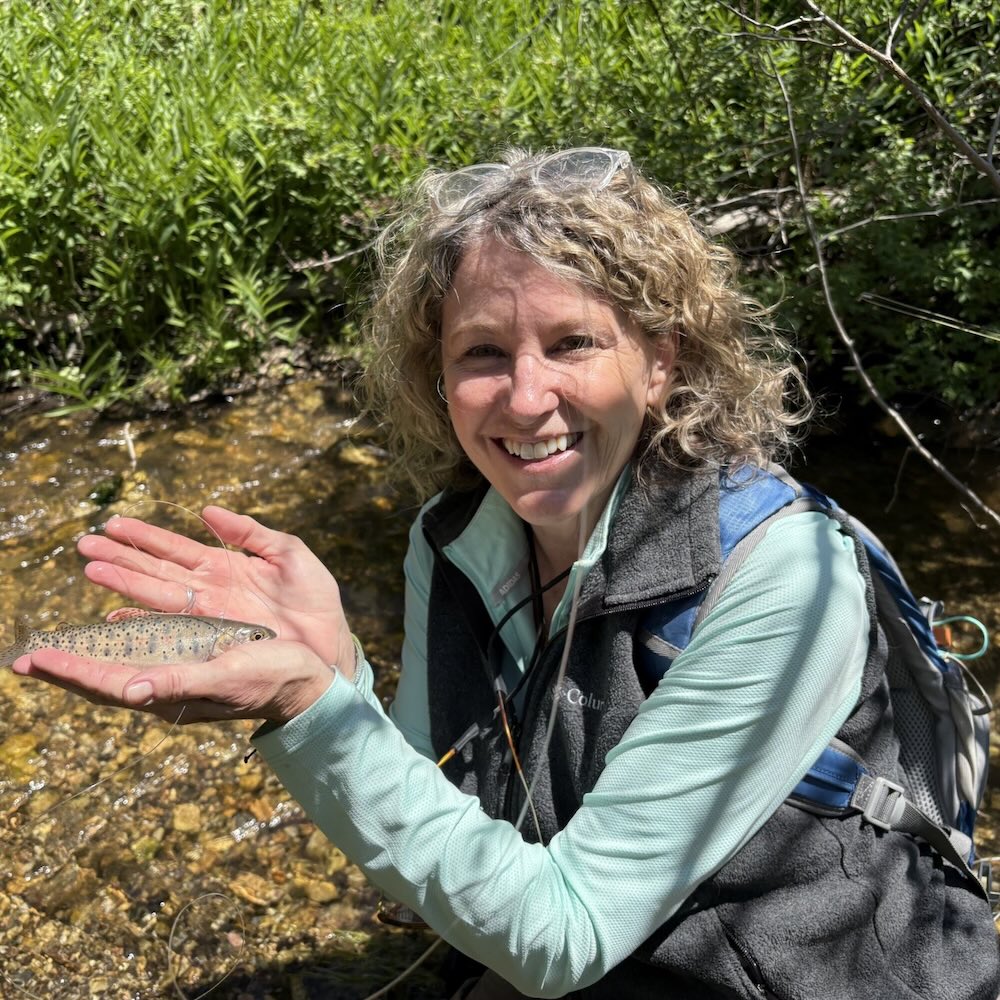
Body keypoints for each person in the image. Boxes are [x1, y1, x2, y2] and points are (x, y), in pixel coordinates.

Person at [11, 147, 999, 999]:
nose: (527, 400)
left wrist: (306, 713)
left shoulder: (779, 575)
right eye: (482, 352)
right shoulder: (454, 539)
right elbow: (442, 798)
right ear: (436, 379)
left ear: (659, 362)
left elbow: (561, 931)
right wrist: (335, 671)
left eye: (571, 342)